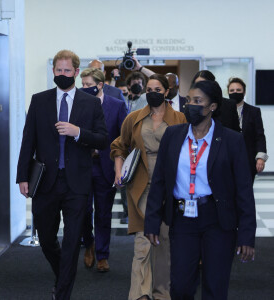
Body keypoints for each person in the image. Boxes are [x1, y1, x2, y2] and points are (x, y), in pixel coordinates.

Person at [145, 80, 256, 300]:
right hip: (182, 219)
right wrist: (152, 221)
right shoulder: (173, 135)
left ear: (212, 106)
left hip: (217, 220)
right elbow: (159, 180)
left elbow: (244, 190)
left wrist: (246, 235)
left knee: (215, 285)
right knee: (181, 286)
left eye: (198, 101)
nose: (190, 106)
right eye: (188, 101)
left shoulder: (232, 140)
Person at [16, 50, 108, 300]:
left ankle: (63, 293)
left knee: (71, 242)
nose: (63, 74)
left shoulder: (90, 103)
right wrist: (22, 176)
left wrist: (78, 131)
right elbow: (28, 141)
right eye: (59, 70)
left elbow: (102, 139)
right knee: (46, 239)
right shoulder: (39, 100)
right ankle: (63, 276)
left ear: (76, 73)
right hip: (46, 181)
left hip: (77, 183)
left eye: (68, 71)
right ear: (53, 71)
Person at [111, 74, 187, 300]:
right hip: (141, 186)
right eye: (149, 88)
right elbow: (119, 146)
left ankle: (162, 292)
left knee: (163, 239)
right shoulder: (134, 118)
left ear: (166, 92)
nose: (152, 92)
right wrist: (118, 170)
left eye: (157, 88)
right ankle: (140, 294)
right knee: (143, 239)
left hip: (170, 186)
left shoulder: (180, 118)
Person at [80, 68, 127, 272]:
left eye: (88, 85)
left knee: (103, 212)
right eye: (82, 85)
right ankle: (88, 243)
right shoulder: (77, 104)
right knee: (82, 211)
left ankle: (102, 254)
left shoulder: (116, 106)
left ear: (100, 85)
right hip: (82, 165)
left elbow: (123, 137)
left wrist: (120, 166)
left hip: (105, 165)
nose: (84, 88)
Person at [227, 77, 268, 182]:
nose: (235, 92)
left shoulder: (254, 111)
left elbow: (259, 135)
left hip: (247, 159)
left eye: (238, 90)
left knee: (246, 192)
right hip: (227, 159)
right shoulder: (222, 111)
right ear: (227, 92)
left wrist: (260, 157)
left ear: (244, 92)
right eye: (232, 90)